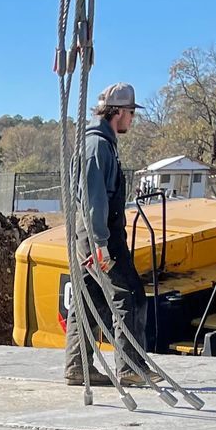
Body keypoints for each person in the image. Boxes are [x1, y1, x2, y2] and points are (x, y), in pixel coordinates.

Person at [65, 82, 145, 386]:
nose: (132, 120)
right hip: (100, 235)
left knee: (89, 299)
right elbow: (93, 198)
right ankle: (130, 368)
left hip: (92, 233)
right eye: (131, 114)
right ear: (120, 113)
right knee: (128, 296)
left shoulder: (99, 142)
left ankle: (77, 366)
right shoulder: (97, 145)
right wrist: (101, 244)